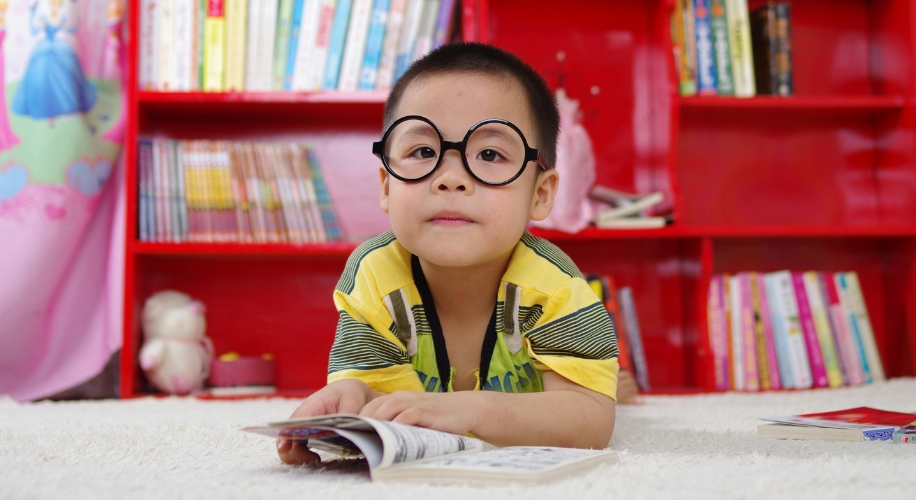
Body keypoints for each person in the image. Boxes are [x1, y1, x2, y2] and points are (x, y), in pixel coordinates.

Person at [280, 43, 627, 465]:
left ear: (539, 194)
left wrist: (469, 409)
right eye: (424, 152)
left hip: (540, 403)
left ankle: (617, 382)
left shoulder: (555, 286)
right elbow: (392, 406)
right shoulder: (373, 276)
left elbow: (591, 420)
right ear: (387, 186)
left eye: (490, 154)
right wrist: (356, 396)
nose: (451, 179)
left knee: (612, 392)